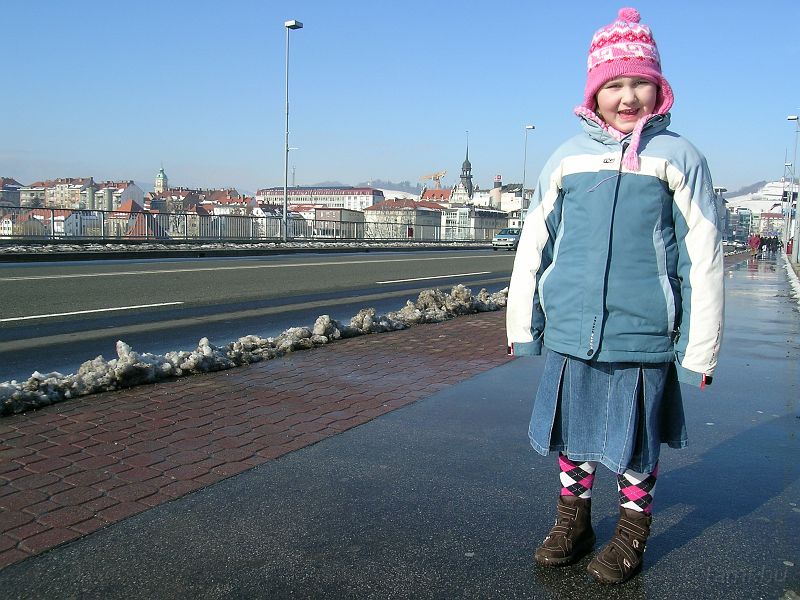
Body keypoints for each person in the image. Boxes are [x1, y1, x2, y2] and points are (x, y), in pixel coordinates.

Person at [506, 7, 724, 585]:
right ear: (594, 92)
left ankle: (632, 530)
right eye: (614, 84)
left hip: (643, 332)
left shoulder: (678, 157)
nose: (627, 97)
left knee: (635, 444)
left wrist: (698, 349)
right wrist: (524, 325)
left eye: (640, 82)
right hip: (571, 330)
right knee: (572, 436)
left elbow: (702, 256)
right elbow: (535, 243)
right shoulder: (566, 158)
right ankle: (573, 521)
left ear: (659, 87)